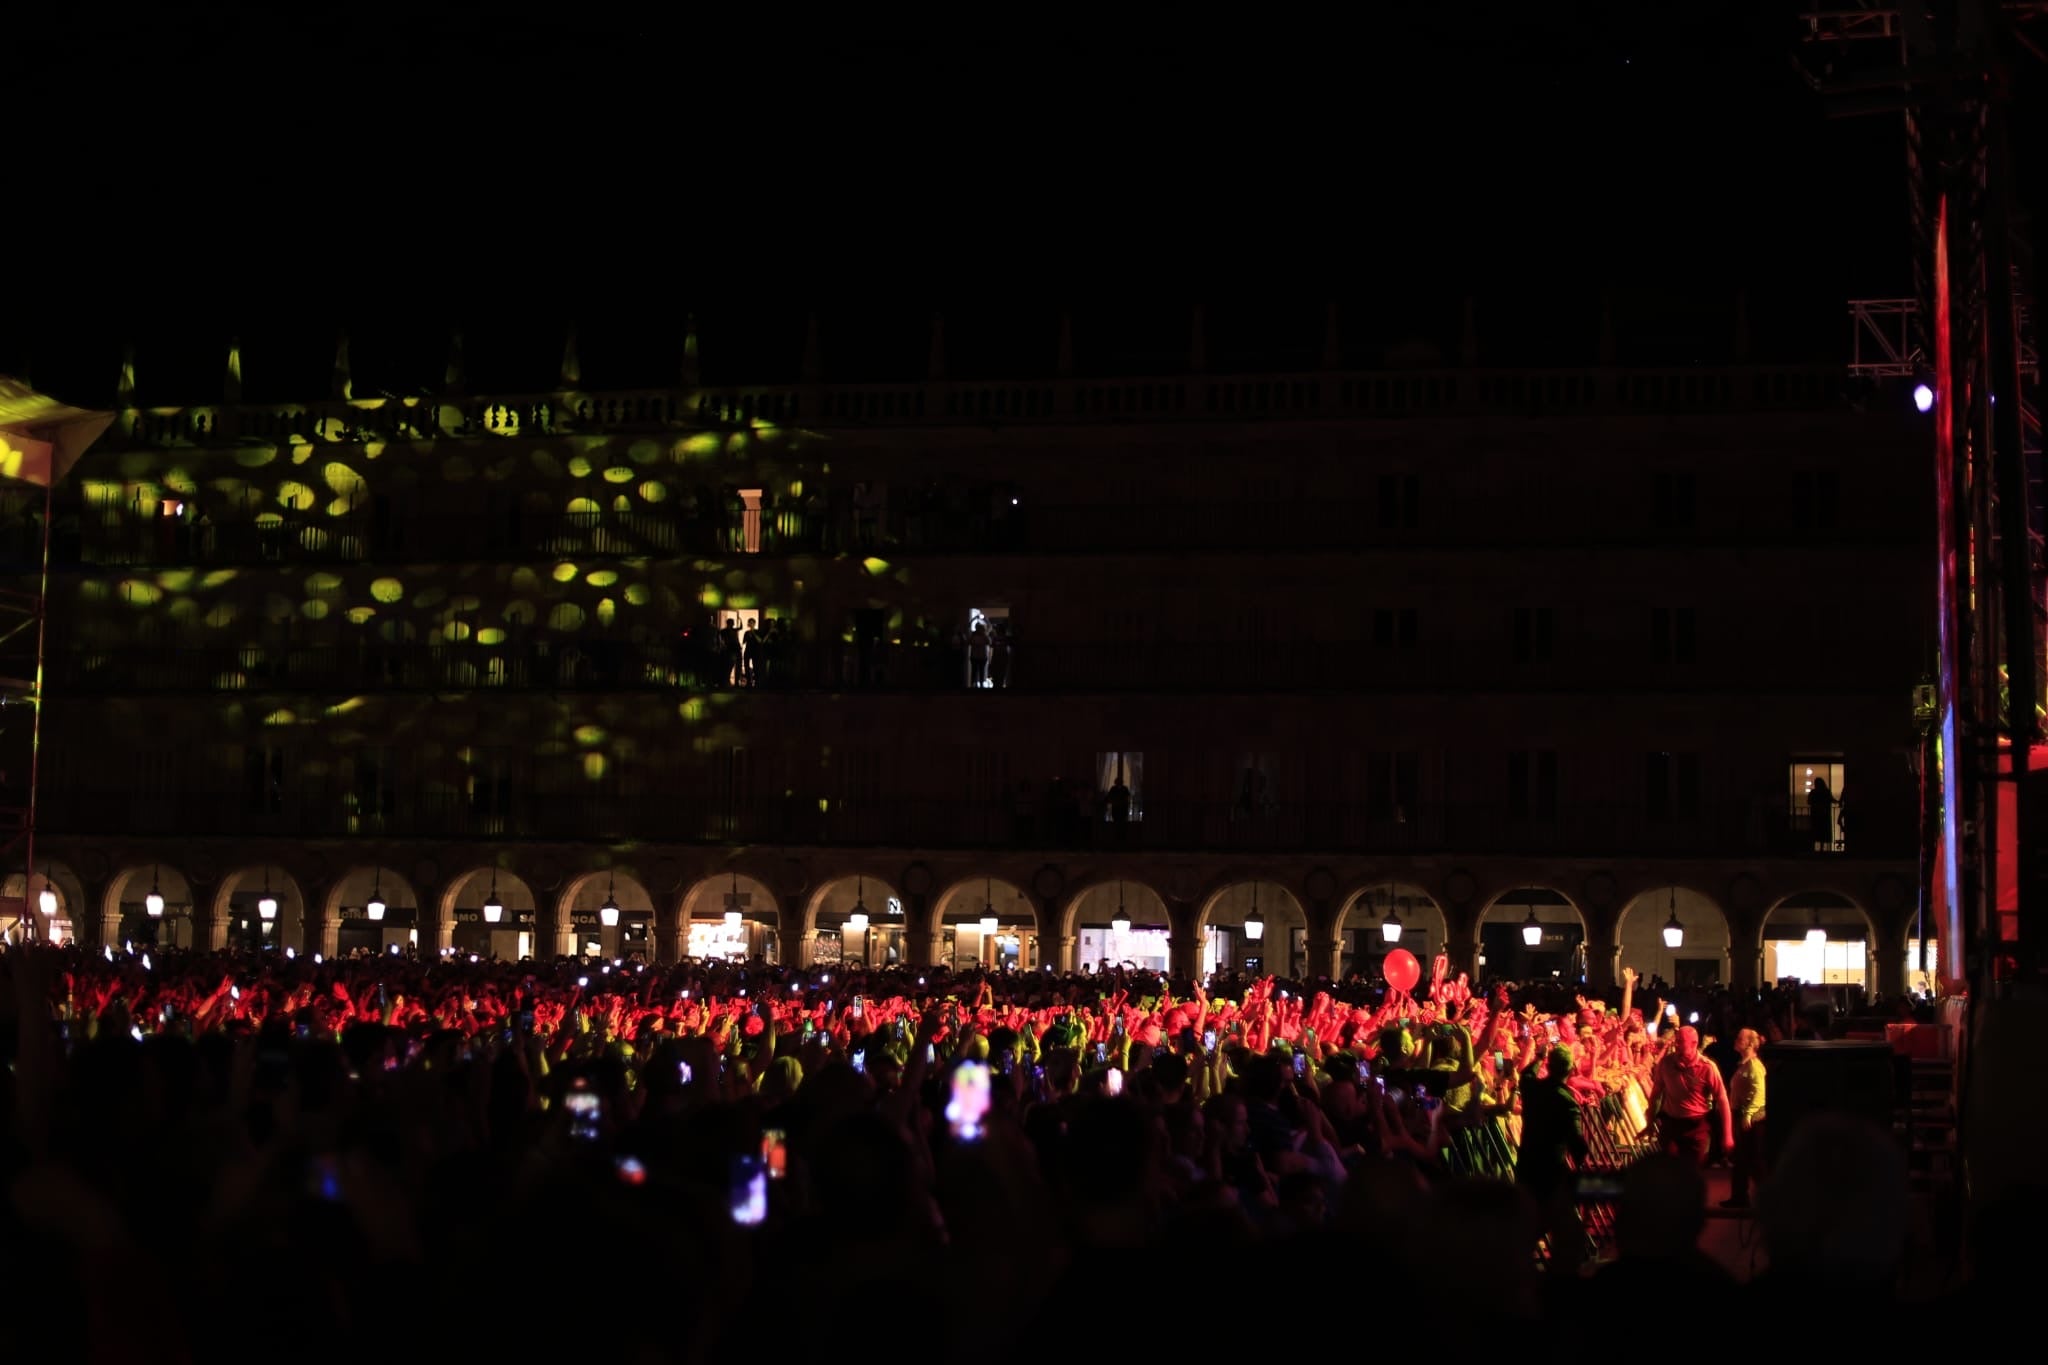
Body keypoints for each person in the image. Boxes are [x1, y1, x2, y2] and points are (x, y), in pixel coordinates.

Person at [1648, 1024, 1733, 1168]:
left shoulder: (1707, 1067)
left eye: (1681, 1041)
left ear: (1694, 1043)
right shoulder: (1666, 1063)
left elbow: (1722, 1099)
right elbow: (1655, 1093)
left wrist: (1728, 1135)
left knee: (1692, 1170)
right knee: (1670, 1168)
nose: (1677, 1045)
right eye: (1677, 1040)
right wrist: (1650, 1120)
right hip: (1671, 1124)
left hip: (1696, 1127)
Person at [1723, 1027, 1767, 1208]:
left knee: (1752, 1158)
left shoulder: (1755, 1066)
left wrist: (1748, 1114)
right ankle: (1740, 1196)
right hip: (1743, 1113)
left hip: (1751, 1117)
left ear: (1749, 1043)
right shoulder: (1744, 1064)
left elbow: (1759, 1093)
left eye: (1739, 1037)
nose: (1736, 1039)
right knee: (1742, 1158)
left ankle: (1762, 1197)